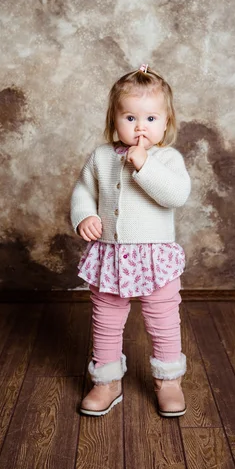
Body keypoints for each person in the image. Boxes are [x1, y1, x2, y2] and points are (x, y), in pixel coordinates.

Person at [70, 63, 191, 418]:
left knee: (163, 319)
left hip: (156, 258)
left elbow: (175, 195)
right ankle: (106, 381)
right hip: (110, 255)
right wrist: (84, 216)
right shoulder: (101, 157)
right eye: (130, 117)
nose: (141, 126)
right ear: (114, 120)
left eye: (151, 118)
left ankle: (168, 380)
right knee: (106, 319)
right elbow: (82, 191)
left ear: (165, 123)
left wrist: (145, 166)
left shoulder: (167, 159)